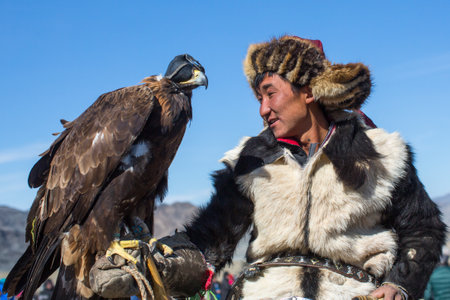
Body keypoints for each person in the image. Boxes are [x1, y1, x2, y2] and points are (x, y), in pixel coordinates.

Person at [91, 36, 446, 300]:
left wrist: (399, 285)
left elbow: (425, 229)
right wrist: (155, 262)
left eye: (270, 93)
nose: (262, 109)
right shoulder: (250, 161)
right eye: (258, 98)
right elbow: (209, 243)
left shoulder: (381, 155)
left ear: (308, 90)